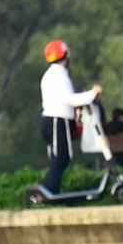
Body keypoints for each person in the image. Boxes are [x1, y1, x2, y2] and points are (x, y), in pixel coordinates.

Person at [39, 40, 101, 194]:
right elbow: (69, 99)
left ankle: (51, 191)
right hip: (56, 120)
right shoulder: (57, 76)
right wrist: (92, 94)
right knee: (61, 158)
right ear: (65, 55)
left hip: (57, 121)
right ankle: (47, 192)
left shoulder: (56, 74)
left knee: (61, 158)